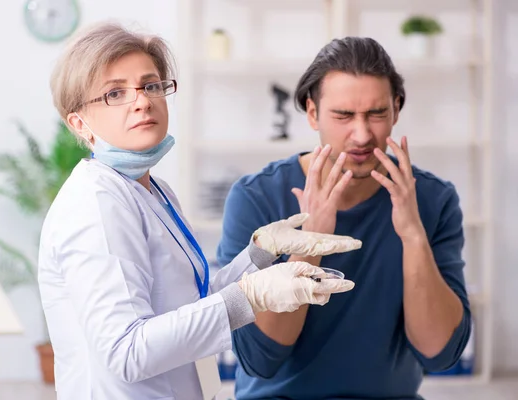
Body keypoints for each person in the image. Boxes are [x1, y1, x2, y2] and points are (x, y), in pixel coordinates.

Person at [37, 22, 363, 400]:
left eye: (151, 84)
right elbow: (126, 352)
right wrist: (251, 296)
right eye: (115, 93)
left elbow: (188, 305)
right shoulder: (96, 201)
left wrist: (260, 256)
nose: (142, 100)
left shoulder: (151, 189)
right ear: (80, 123)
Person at [216, 36, 472, 400]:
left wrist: (413, 235)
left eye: (376, 113)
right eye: (344, 116)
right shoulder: (256, 197)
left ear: (396, 109)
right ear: (312, 112)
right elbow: (260, 359)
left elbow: (441, 353)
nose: (363, 134)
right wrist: (312, 239)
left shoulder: (433, 199)